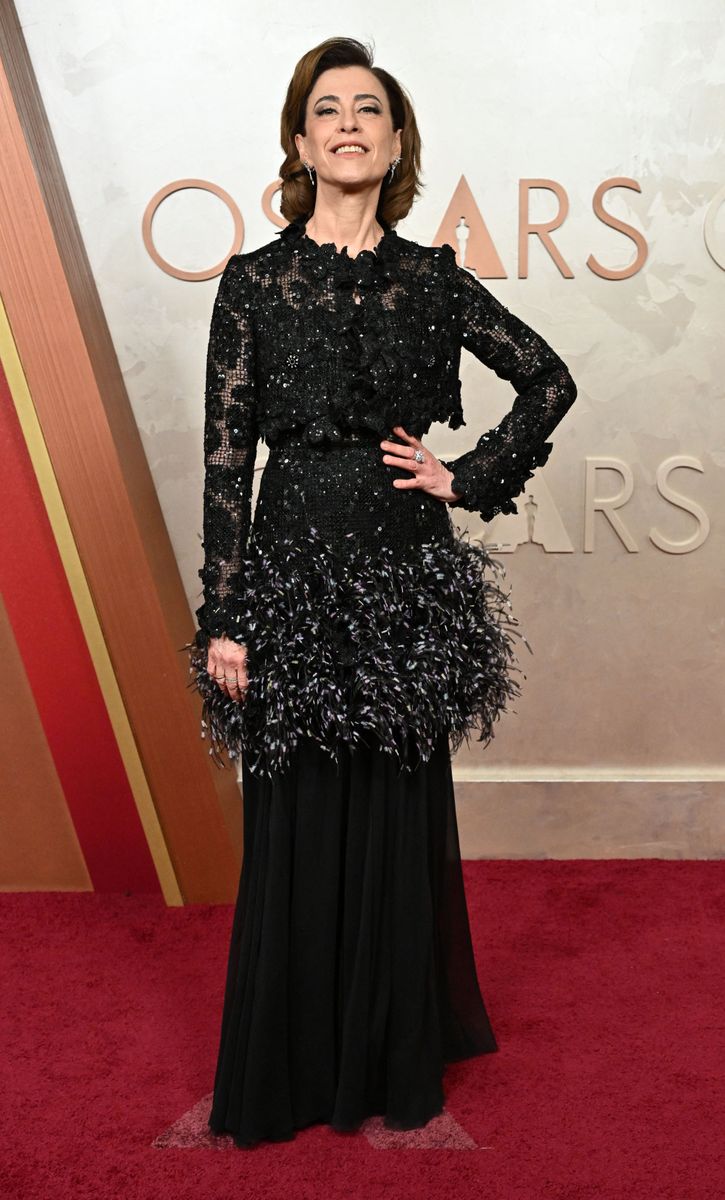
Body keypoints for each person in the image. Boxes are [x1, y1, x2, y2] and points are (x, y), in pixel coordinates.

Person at [183, 36, 577, 1149]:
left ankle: (388, 1056)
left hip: (403, 572)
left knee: (394, 815)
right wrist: (225, 611)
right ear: (300, 143)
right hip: (292, 570)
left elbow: (548, 379)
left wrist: (467, 474)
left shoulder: (432, 280)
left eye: (368, 108)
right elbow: (224, 460)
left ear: (395, 142)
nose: (347, 122)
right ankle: (297, 1061)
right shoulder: (255, 282)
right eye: (326, 109)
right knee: (296, 815)